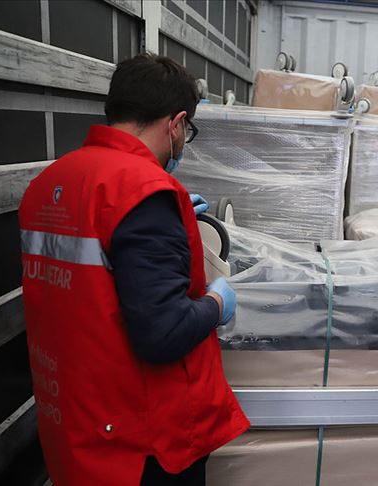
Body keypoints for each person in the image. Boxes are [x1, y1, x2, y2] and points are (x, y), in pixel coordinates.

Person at [19, 53, 249, 485]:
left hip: (75, 422)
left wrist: (167, 221)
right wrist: (217, 303)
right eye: (187, 131)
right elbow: (163, 333)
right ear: (176, 124)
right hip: (140, 445)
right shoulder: (144, 192)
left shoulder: (49, 183)